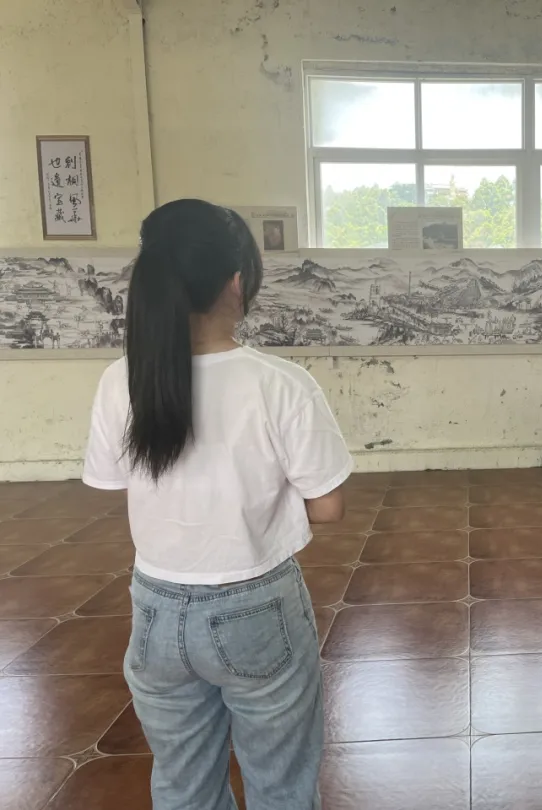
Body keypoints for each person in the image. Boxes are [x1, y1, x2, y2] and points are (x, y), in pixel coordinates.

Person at [83, 199, 354, 810]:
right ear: (236, 283)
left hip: (155, 606)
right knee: (281, 783)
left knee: (183, 784)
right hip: (256, 605)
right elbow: (328, 506)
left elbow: (118, 482)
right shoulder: (280, 383)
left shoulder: (121, 380)